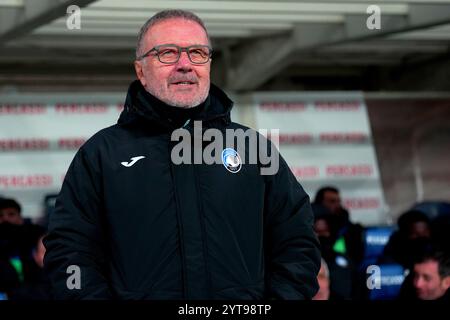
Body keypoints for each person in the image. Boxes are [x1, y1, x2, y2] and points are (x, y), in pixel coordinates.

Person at [43, 9, 321, 300]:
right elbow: (70, 253)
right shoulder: (102, 155)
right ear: (141, 71)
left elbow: (298, 242)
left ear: (209, 64)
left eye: (198, 53)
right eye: (168, 53)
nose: (185, 65)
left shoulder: (252, 148)